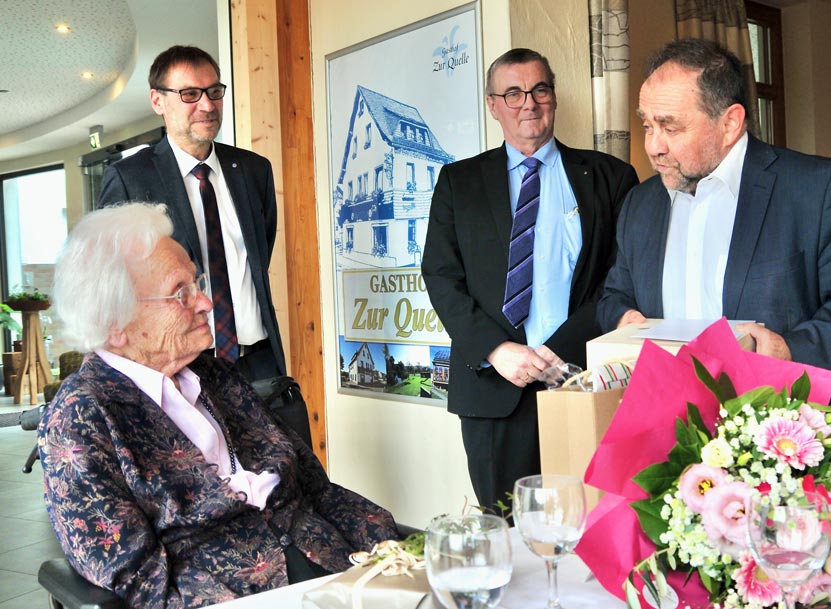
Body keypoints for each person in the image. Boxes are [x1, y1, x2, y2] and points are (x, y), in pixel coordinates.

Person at [39, 203, 399, 608]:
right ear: (114, 322)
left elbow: (315, 489)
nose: (206, 303)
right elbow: (134, 576)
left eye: (198, 284)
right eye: (181, 292)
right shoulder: (81, 416)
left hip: (336, 571)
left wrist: (404, 553)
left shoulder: (216, 376)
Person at [597, 38, 831, 407]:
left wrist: (790, 350)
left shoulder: (818, 189)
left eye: (670, 128)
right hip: (669, 433)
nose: (653, 146)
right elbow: (614, 295)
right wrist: (625, 318)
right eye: (647, 126)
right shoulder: (639, 204)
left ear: (730, 123)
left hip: (790, 432)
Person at [421, 48, 638, 510]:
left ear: (553, 97)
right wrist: (497, 350)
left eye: (539, 89)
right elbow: (441, 276)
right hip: (494, 388)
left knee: (591, 521)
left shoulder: (610, 177)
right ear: (493, 104)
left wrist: (559, 348)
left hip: (582, 378)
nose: (528, 103)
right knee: (506, 530)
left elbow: (621, 276)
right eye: (513, 92)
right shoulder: (459, 182)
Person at [98, 45, 284, 381]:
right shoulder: (129, 179)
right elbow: (112, 284)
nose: (207, 105)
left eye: (214, 91)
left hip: (259, 365)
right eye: (189, 94)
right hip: (180, 368)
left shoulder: (254, 171)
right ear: (158, 101)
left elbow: (260, 254)